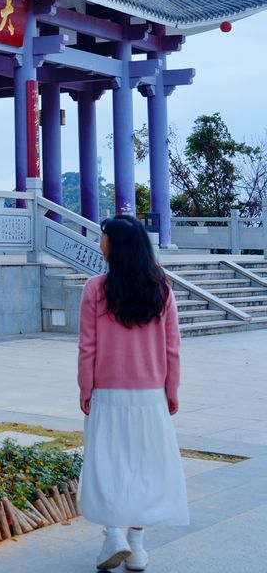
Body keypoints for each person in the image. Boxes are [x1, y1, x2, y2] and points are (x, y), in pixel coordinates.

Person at [77, 215, 188, 571]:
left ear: (116, 246)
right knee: (146, 466)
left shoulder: (96, 288)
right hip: (150, 394)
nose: (100, 243)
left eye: (103, 237)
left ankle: (114, 535)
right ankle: (137, 546)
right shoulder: (161, 288)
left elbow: (87, 347)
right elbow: (173, 347)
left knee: (107, 464)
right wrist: (171, 389)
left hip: (107, 394)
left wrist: (85, 387)